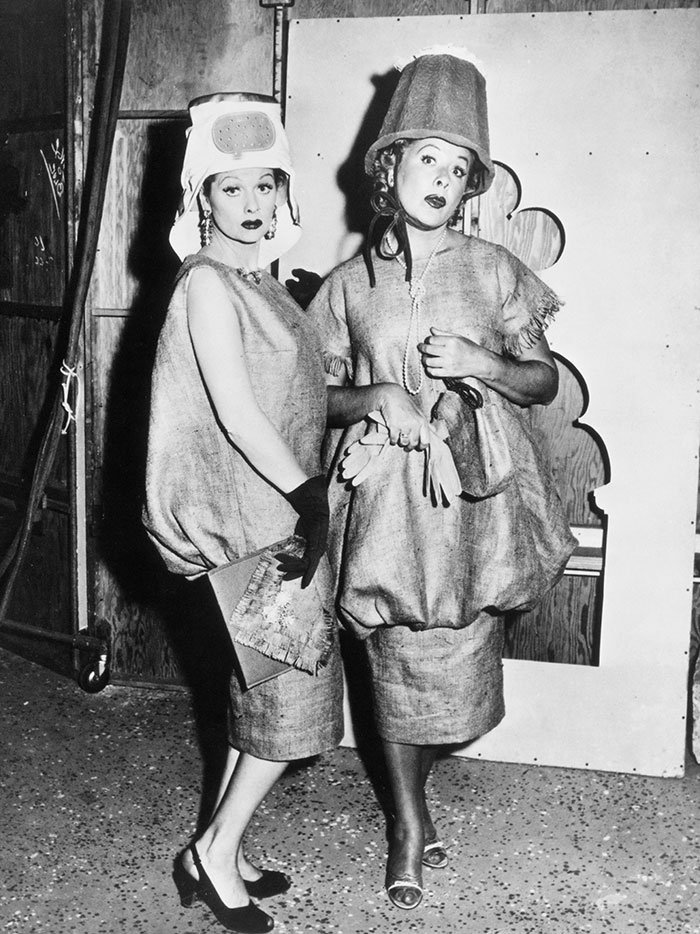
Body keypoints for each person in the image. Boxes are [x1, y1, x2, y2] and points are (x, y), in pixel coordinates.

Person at [306, 51, 577, 910]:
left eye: (461, 169)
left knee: (454, 657)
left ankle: (414, 794)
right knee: (387, 650)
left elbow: (544, 383)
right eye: (429, 157)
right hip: (385, 500)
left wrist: (482, 362)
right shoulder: (351, 284)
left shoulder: (494, 268)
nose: (445, 179)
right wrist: (379, 394)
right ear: (390, 167)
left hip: (469, 499)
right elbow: (311, 393)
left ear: (470, 191)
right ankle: (407, 823)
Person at [142, 93, 343, 933]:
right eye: (233, 189)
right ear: (201, 200)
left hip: (271, 519)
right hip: (254, 529)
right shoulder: (206, 287)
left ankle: (214, 847)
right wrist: (310, 502)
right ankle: (218, 852)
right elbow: (237, 411)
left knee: (255, 689)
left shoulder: (258, 283)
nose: (255, 205)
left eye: (267, 185)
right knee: (292, 698)